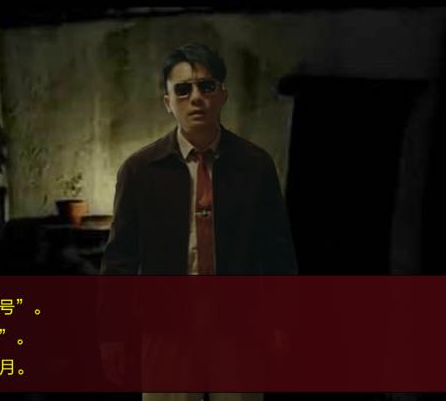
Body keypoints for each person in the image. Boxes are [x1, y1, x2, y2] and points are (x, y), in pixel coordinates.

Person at [99, 43, 297, 401]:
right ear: (167, 102)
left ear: (222, 94)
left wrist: (281, 321)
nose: (196, 98)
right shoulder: (140, 170)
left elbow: (277, 250)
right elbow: (120, 259)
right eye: (183, 90)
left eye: (206, 87)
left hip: (239, 325)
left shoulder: (255, 165)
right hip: (165, 326)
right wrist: (112, 334)